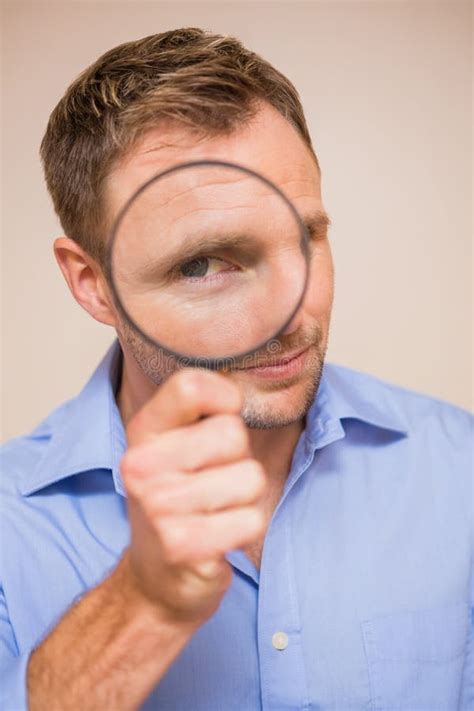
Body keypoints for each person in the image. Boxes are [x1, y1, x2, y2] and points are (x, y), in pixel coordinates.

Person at [1, 27, 472, 711]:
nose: (292, 311)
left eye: (306, 238)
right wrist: (143, 603)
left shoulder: (457, 470)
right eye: (204, 263)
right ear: (92, 283)